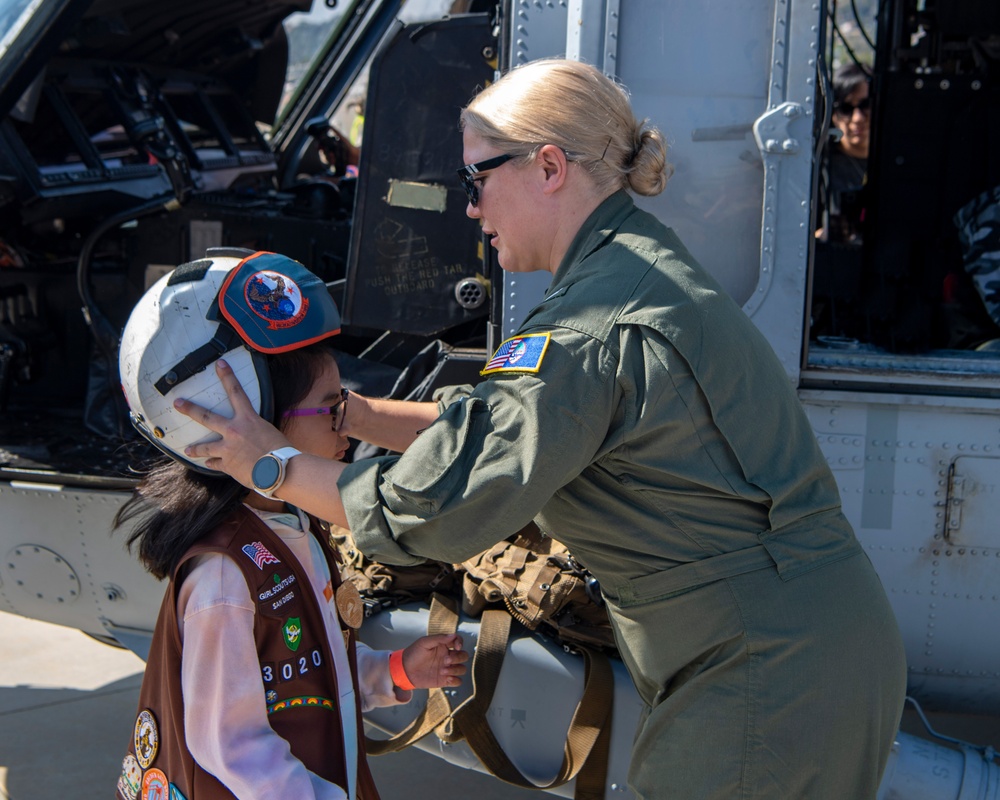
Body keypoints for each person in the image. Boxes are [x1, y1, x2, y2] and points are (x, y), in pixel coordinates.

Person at [175, 60, 908, 799]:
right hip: (806, 649)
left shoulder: (584, 329)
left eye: (476, 180)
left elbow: (437, 508)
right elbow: (504, 432)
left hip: (760, 674)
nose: (470, 208)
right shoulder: (630, 269)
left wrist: (268, 464)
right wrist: (359, 417)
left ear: (549, 166)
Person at [113, 250, 467, 800]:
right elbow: (234, 747)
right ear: (249, 425)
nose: (346, 425)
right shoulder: (226, 579)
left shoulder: (293, 526)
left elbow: (305, 674)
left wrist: (394, 671)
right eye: (331, 407)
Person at [817, 62, 871, 244]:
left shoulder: (900, 164)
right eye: (846, 109)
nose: (858, 118)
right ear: (833, 115)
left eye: (866, 105)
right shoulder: (819, 170)